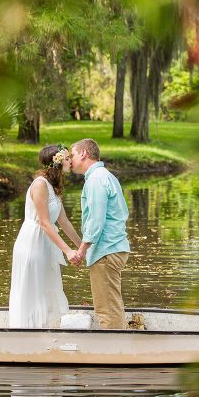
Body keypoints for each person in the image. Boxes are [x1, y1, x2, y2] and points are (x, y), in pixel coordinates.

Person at [9, 144, 82, 328]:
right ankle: (27, 331)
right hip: (32, 241)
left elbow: (63, 221)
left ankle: (45, 330)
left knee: (48, 285)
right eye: (66, 158)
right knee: (34, 289)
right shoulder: (40, 184)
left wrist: (82, 248)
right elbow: (44, 222)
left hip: (46, 241)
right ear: (55, 162)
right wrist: (67, 251)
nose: (70, 161)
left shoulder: (53, 186)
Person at [69, 138, 131, 329]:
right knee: (112, 304)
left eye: (72, 155)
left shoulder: (96, 180)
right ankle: (119, 349)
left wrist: (81, 250)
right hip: (114, 248)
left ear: (83, 154)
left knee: (106, 309)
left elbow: (96, 221)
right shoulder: (107, 176)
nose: (70, 160)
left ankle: (114, 354)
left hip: (106, 251)